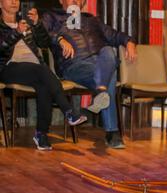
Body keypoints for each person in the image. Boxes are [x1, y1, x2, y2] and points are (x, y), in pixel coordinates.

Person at [41, 0, 138, 149]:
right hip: (74, 65)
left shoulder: (92, 20)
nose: (75, 0)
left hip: (99, 63)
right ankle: (112, 132)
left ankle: (100, 91)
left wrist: (129, 42)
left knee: (108, 51)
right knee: (109, 74)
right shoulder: (52, 17)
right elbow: (43, 34)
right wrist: (59, 39)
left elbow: (115, 35)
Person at [0, 0, 87, 151]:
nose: (14, 1)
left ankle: (41, 134)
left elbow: (44, 43)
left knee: (43, 85)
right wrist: (16, 33)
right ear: (0, 4)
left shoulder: (25, 21)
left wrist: (37, 24)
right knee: (42, 71)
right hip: (8, 69)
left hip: (34, 70)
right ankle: (68, 110)